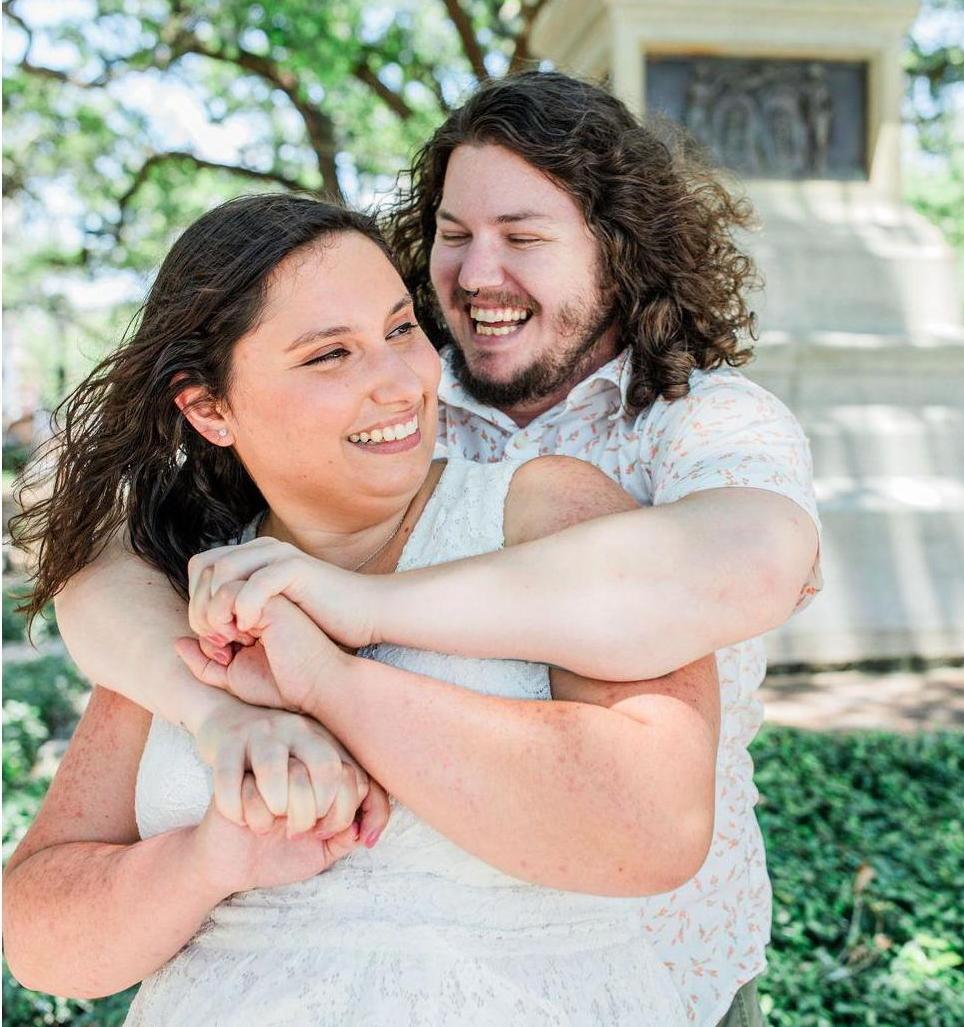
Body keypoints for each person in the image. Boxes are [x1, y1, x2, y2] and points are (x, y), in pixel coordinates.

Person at [32, 71, 821, 1025]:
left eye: (523, 237)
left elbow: (745, 562)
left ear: (616, 247)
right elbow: (96, 558)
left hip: (662, 951)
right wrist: (214, 714)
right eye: (453, 234)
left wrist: (350, 621)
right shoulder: (396, 391)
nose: (477, 274)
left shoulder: (699, 422)